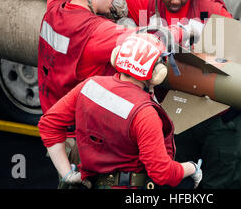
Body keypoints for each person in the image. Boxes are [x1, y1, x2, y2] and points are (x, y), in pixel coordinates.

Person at [70, 0, 241, 189]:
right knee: (164, 176)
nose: (176, 0)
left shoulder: (212, 9)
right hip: (172, 112)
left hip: (216, 113)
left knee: (223, 179)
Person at [38, 33, 203, 189]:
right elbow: (161, 173)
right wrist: (192, 168)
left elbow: (48, 124)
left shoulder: (90, 86)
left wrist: (67, 174)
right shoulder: (145, 113)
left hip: (88, 183)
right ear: (157, 73)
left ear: (118, 57)